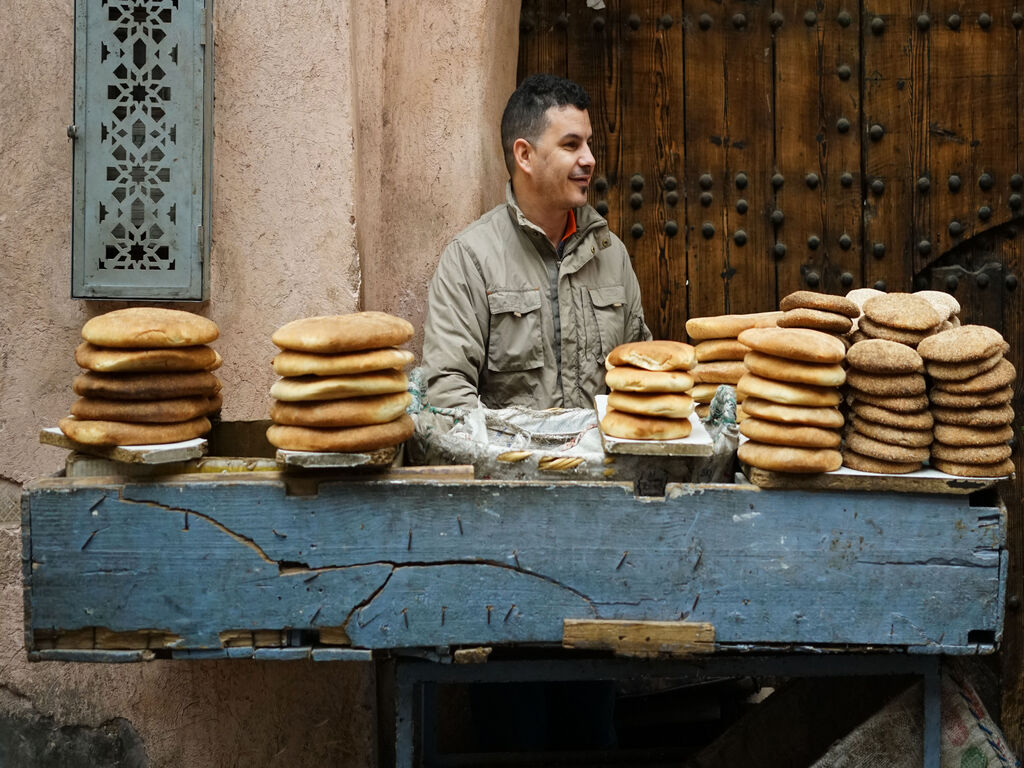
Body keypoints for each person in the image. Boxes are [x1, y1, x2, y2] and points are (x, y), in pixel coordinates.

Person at [422, 73, 652, 410]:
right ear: (525, 156)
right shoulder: (471, 260)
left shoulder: (610, 254)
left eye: (589, 143)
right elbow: (447, 394)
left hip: (602, 462)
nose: (589, 159)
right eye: (571, 145)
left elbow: (641, 376)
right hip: (510, 461)